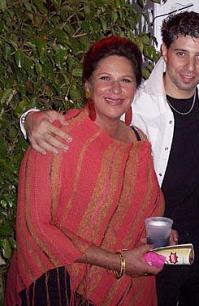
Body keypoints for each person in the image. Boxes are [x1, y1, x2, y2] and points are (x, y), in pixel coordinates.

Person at [19, 11, 199, 306]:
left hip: (188, 239)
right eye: (181, 53)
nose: (191, 67)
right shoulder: (134, 105)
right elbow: (83, 131)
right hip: (135, 252)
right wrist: (31, 118)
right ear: (164, 51)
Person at [6, 36, 165, 306]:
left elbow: (146, 207)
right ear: (88, 85)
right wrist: (121, 262)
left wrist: (153, 236)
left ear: (136, 88)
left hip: (118, 289)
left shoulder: (139, 143)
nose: (115, 89)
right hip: (58, 286)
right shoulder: (55, 136)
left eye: (126, 80)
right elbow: (38, 228)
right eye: (105, 78)